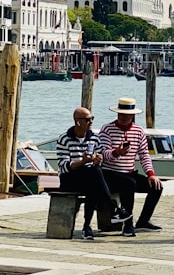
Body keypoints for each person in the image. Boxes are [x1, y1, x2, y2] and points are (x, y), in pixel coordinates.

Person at [56, 106, 132, 240]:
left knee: (96, 180)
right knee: (93, 176)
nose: (91, 122)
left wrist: (98, 160)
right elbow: (64, 167)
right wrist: (84, 161)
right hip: (70, 179)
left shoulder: (95, 139)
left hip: (90, 176)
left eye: (92, 119)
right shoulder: (64, 139)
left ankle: (87, 227)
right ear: (78, 121)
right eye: (88, 120)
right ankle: (112, 209)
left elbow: (98, 158)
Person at [98, 97, 163, 237]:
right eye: (120, 114)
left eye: (126, 115)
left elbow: (144, 154)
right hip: (109, 173)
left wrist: (151, 174)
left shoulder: (139, 131)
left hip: (129, 172)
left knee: (157, 187)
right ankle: (128, 224)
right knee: (129, 184)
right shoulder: (107, 129)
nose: (122, 117)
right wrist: (117, 152)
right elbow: (104, 153)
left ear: (132, 115)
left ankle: (143, 221)